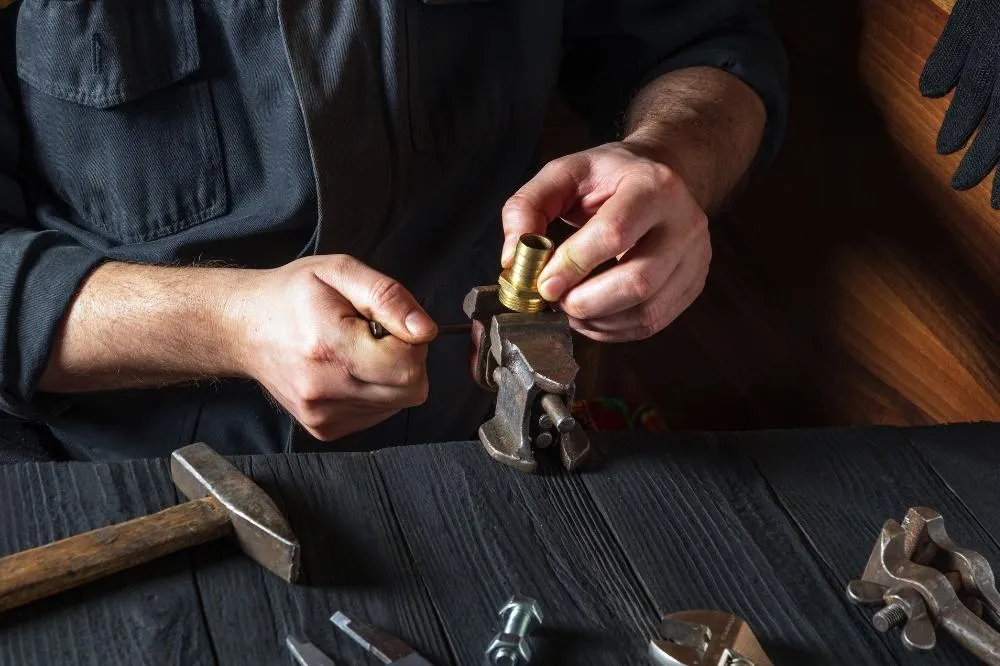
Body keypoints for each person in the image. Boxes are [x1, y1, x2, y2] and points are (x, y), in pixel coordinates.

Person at [0, 0, 787, 461]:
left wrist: (671, 158)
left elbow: (709, 43)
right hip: (104, 471)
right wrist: (223, 324)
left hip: (462, 458)